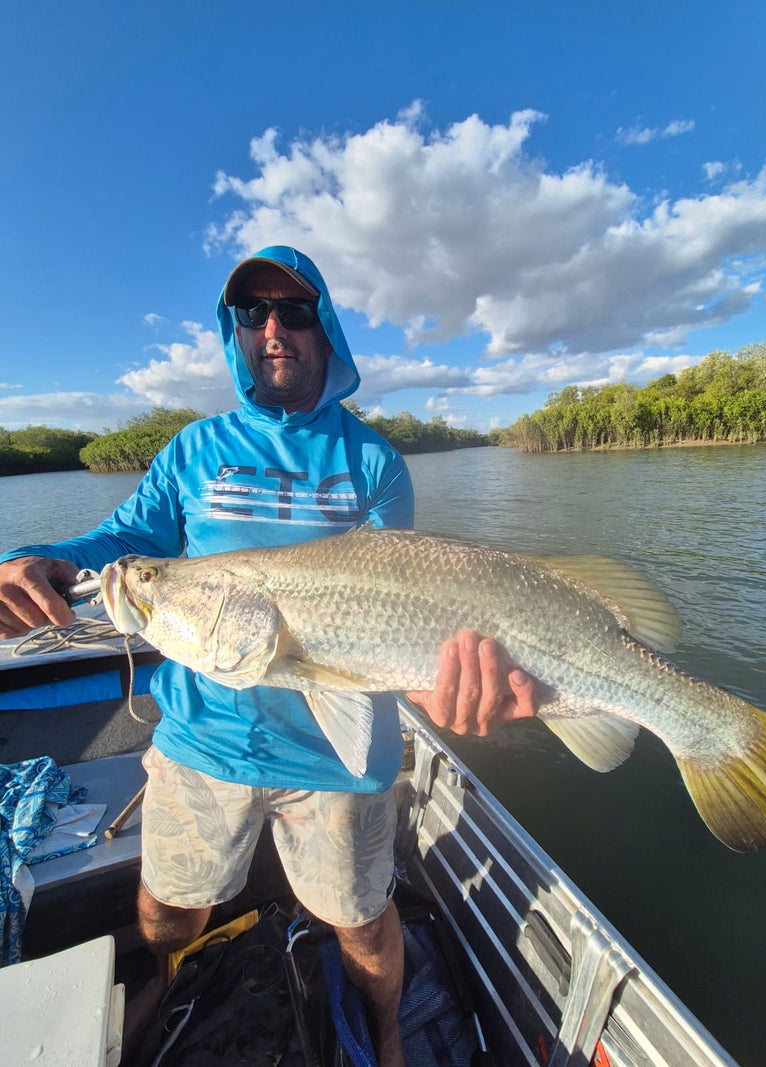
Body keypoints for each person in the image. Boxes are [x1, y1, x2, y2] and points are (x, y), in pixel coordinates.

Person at [0, 246, 537, 1066]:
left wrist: (448, 684)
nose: (274, 328)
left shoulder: (374, 463)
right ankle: (163, 973)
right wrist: (41, 556)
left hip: (341, 755)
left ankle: (386, 1032)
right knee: (168, 904)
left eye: (294, 310)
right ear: (235, 332)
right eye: (253, 313)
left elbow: (409, 606)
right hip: (201, 740)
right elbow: (121, 544)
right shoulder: (193, 451)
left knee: (361, 921)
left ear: (326, 329)